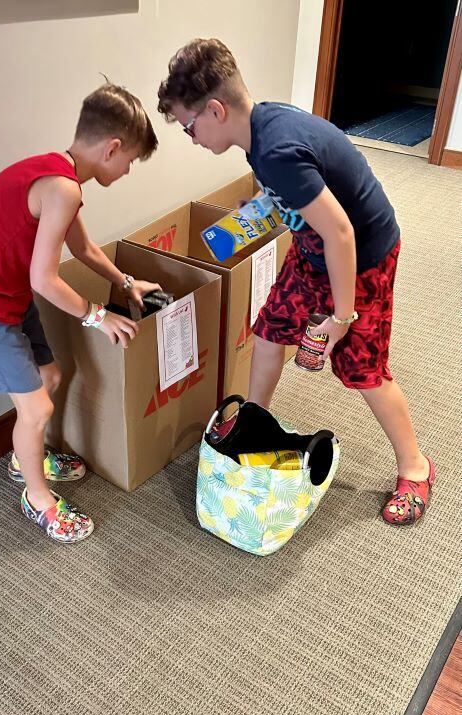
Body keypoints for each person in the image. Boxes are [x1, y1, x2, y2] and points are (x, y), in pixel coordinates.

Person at [157, 38, 434, 526]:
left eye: (188, 125)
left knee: (363, 371)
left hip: (359, 260)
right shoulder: (260, 130)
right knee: (267, 333)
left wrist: (342, 317)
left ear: (216, 110)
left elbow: (342, 233)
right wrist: (261, 209)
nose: (191, 136)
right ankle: (254, 425)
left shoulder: (277, 149)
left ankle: (415, 466)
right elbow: (302, 199)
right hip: (313, 250)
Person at [0, 84, 161, 542]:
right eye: (130, 161)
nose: (127, 170)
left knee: (51, 378)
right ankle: (38, 499)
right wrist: (100, 317)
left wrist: (125, 282)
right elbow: (45, 279)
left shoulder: (61, 176)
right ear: (112, 147)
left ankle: (29, 459)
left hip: (7, 298)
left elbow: (80, 247)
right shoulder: (60, 187)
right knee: (37, 409)